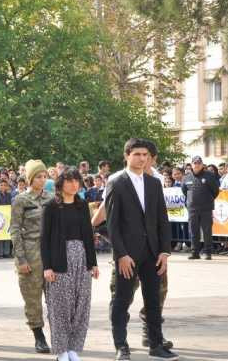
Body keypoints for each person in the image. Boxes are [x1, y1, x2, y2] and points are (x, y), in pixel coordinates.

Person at [105, 138, 177, 360]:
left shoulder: (154, 183)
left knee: (153, 300)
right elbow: (112, 225)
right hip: (127, 254)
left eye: (145, 155)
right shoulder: (116, 183)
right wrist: (121, 255)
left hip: (153, 253)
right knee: (122, 300)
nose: (142, 158)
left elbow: (162, 220)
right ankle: (121, 346)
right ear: (127, 155)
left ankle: (156, 345)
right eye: (137, 154)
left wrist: (165, 251)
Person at [41, 167, 98, 361]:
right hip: (59, 259)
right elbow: (44, 239)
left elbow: (88, 236)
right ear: (61, 183)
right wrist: (47, 266)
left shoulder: (82, 205)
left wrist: (93, 263)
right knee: (60, 307)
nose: (74, 184)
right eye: (70, 181)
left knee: (81, 305)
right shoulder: (51, 206)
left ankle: (74, 348)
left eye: (77, 181)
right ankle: (61, 350)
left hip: (81, 259)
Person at [10, 159, 53, 354]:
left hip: (51, 252)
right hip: (30, 252)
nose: (42, 180)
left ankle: (58, 333)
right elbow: (15, 230)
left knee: (55, 296)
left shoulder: (52, 199)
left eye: (44, 176)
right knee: (32, 296)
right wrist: (21, 259)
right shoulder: (21, 200)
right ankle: (39, 335)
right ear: (29, 179)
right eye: (38, 177)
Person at [182, 156, 219, 260]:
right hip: (192, 209)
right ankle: (195, 253)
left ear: (202, 164)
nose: (196, 165)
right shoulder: (186, 177)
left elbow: (215, 191)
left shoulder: (209, 176)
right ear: (192, 165)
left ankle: (208, 253)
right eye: (194, 163)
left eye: (198, 163)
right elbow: (184, 191)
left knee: (207, 231)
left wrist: (207, 201)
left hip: (206, 209)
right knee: (193, 231)